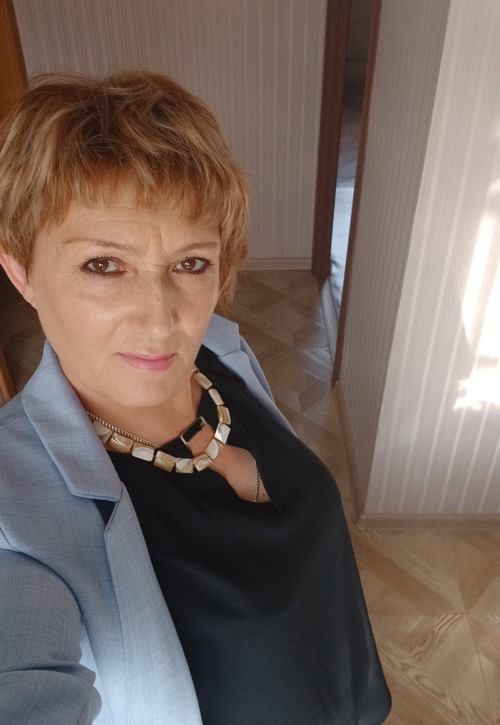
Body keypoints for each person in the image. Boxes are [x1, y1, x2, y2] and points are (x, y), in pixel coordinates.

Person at [0, 71, 390, 724]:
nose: (161, 322)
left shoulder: (222, 353)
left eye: (190, 264)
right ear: (21, 271)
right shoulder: (14, 511)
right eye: (104, 264)